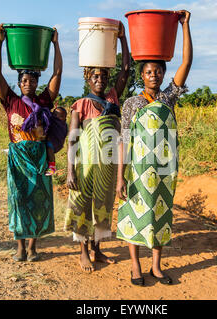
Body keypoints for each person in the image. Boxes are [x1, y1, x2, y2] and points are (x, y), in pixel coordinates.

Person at [116, 10, 193, 285]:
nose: (154, 75)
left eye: (158, 71)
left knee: (160, 214)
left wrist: (185, 26)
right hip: (136, 171)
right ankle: (136, 266)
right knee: (134, 216)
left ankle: (156, 267)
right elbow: (124, 140)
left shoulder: (168, 97)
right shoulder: (131, 104)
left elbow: (186, 62)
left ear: (163, 73)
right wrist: (119, 178)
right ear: (142, 75)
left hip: (162, 171)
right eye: (148, 71)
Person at [0, 23, 64, 262]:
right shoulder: (10, 101)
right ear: (19, 82)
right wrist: (0, 41)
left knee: (39, 201)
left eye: (32, 80)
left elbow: (57, 75)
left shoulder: (44, 101)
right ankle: (20, 247)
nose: (29, 84)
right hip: (18, 157)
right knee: (19, 199)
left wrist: (55, 44)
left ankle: (34, 247)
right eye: (24, 80)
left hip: (40, 156)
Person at [65, 21, 130, 273]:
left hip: (107, 165)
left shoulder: (113, 98)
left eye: (103, 76)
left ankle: (98, 249)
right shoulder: (80, 104)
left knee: (102, 206)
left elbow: (125, 68)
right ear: (87, 79)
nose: (100, 80)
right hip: (85, 166)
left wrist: (123, 39)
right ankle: (83, 252)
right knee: (83, 205)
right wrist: (70, 171)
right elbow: (73, 138)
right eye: (95, 76)